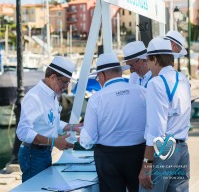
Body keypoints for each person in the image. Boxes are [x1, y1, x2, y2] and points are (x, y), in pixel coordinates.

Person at [80, 52, 147, 192]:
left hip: (108, 158)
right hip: (139, 155)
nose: (99, 80)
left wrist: (82, 138)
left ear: (103, 75)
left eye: (98, 77)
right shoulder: (143, 92)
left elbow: (88, 140)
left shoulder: (96, 99)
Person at [17, 56, 82, 182]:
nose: (66, 86)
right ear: (52, 77)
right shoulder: (34, 97)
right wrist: (53, 141)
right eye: (64, 82)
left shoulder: (52, 95)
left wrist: (74, 127)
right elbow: (23, 132)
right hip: (32, 155)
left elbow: (53, 124)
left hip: (43, 152)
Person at [139, 37, 191, 191]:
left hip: (164, 150)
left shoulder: (156, 83)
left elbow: (156, 131)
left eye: (147, 61)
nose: (147, 67)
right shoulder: (183, 79)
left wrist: (146, 166)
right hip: (182, 150)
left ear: (155, 60)